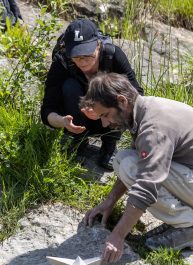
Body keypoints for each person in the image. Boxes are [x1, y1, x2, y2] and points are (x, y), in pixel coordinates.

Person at [80, 72, 193, 265]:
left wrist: (117, 236)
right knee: (123, 160)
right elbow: (143, 164)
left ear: (122, 101)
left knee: (129, 165)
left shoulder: (154, 126)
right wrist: (110, 201)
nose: (105, 123)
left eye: (105, 115)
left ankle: (189, 226)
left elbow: (147, 183)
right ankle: (184, 219)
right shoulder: (145, 108)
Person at [40, 18, 143, 170]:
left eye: (87, 55)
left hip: (110, 120)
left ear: (98, 44)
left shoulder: (112, 56)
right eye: (76, 56)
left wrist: (105, 110)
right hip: (74, 118)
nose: (82, 62)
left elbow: (137, 96)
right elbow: (47, 109)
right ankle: (78, 140)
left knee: (116, 88)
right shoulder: (62, 61)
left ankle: (109, 144)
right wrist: (63, 122)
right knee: (70, 86)